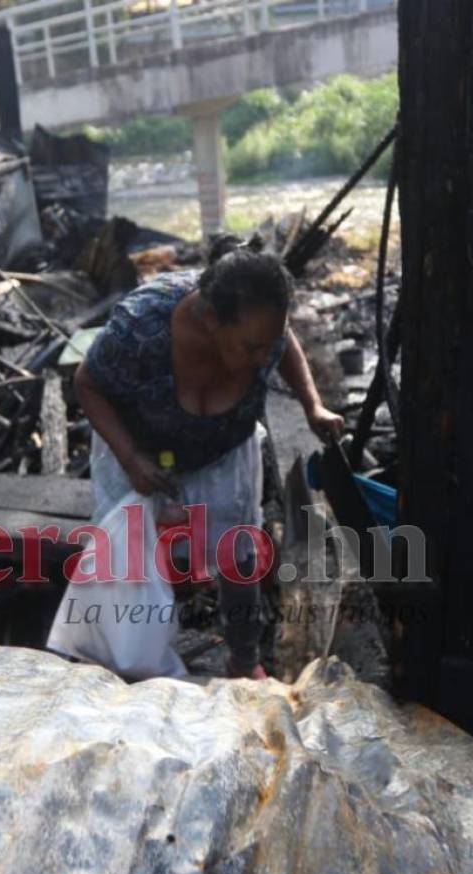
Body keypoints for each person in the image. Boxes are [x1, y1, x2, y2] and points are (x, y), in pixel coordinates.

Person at [72, 237, 344, 680]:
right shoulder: (141, 328)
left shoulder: (262, 329)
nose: (262, 360)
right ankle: (128, 664)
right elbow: (87, 383)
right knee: (131, 564)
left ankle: (244, 658)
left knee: (239, 555)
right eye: (250, 348)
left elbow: (284, 341)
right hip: (141, 454)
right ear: (211, 319)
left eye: (266, 346)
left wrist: (311, 404)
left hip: (222, 449)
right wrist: (131, 458)